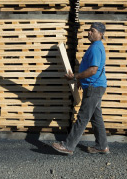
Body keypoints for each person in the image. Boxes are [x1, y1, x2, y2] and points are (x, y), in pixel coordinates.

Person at [52, 22, 109, 155]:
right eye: (89, 30)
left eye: (92, 31)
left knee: (83, 117)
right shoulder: (95, 46)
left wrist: (76, 77)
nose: (89, 32)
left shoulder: (96, 48)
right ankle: (102, 146)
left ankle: (68, 146)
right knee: (96, 117)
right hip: (95, 86)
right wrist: (80, 79)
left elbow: (93, 70)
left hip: (94, 87)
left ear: (100, 34)